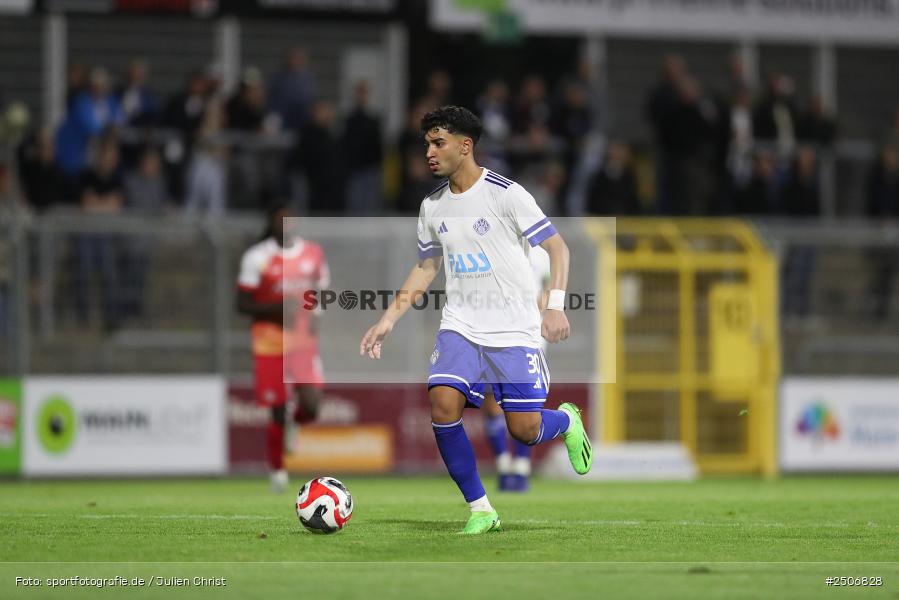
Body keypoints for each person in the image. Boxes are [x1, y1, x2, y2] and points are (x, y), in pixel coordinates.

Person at [360, 106, 593, 535]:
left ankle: (566, 421)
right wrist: (388, 319)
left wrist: (556, 305)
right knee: (443, 402)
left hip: (515, 330)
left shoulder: (507, 195)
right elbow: (427, 267)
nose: (429, 152)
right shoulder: (432, 207)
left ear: (465, 146)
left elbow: (559, 249)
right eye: (426, 143)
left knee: (524, 430)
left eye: (438, 142)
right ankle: (481, 508)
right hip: (461, 326)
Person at [237, 204, 330, 492]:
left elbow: (322, 291)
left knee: (312, 405)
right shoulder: (257, 257)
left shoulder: (313, 254)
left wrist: (316, 317)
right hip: (269, 343)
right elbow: (242, 303)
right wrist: (276, 309)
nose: (286, 223)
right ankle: (278, 473)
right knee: (276, 408)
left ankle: (296, 423)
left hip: (302, 343)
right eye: (280, 217)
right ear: (272, 221)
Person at [482, 244, 551, 492]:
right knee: (491, 403)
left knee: (527, 405)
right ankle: (503, 466)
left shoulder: (541, 254)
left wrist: (532, 309)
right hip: (494, 334)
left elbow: (547, 289)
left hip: (529, 337)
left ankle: (521, 469)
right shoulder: (495, 244)